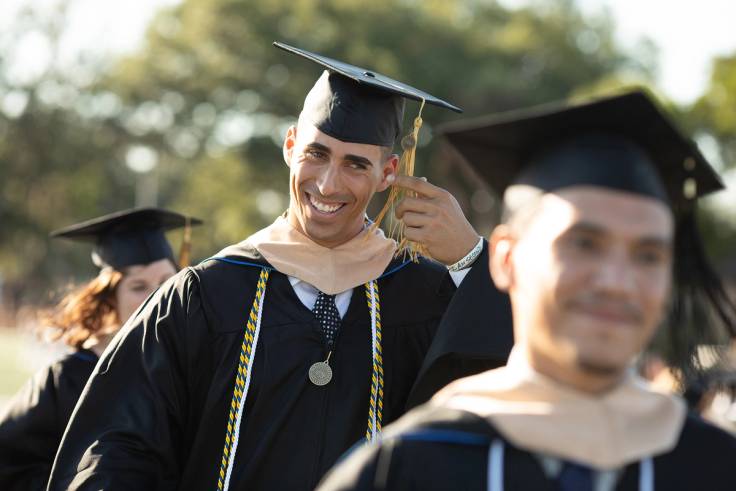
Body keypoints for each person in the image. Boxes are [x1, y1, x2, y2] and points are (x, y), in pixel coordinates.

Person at [47, 43, 513, 490]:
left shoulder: (422, 296)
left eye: (355, 164)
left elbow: (504, 401)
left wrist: (473, 261)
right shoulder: (205, 295)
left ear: (388, 172)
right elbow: (116, 446)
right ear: (290, 145)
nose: (328, 184)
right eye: (316, 153)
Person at [317, 90, 736, 490]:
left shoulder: (714, 466)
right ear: (505, 259)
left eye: (648, 255)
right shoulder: (405, 467)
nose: (616, 282)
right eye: (584, 244)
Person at [0, 207, 201, 491]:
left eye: (167, 282)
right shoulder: (66, 379)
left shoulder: (190, 371)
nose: (157, 295)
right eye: (138, 286)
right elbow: (10, 464)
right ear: (109, 297)